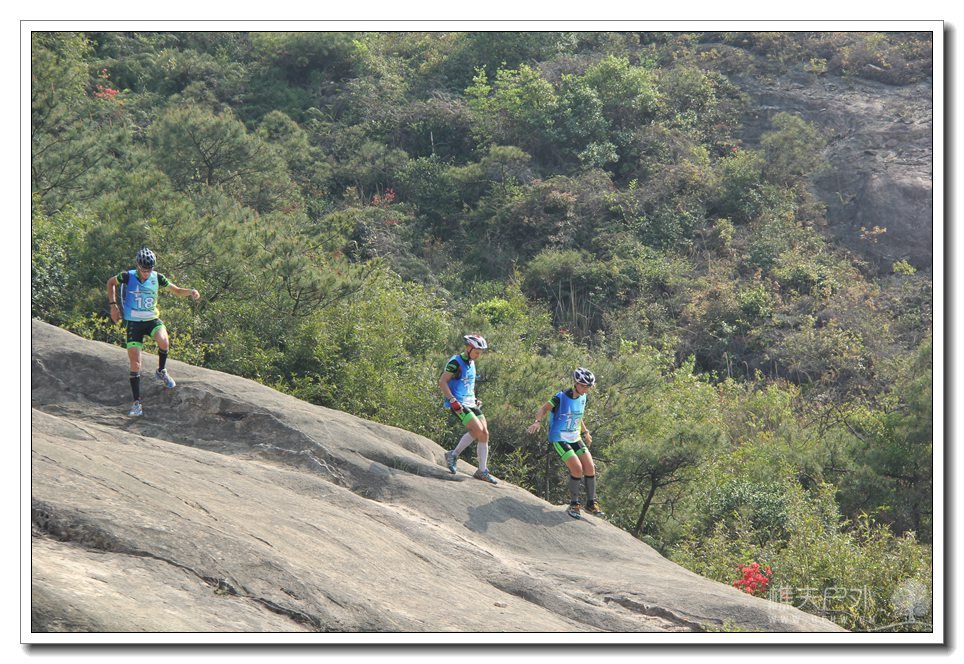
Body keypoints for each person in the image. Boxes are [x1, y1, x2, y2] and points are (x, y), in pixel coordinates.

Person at [106, 247, 200, 416]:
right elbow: (110, 283)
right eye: (143, 270)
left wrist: (191, 291)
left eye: (149, 270)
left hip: (151, 320)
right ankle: (137, 403)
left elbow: (177, 290)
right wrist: (113, 306)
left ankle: (161, 371)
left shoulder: (157, 277)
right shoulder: (127, 276)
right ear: (138, 266)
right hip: (134, 323)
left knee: (164, 341)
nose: (146, 273)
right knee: (135, 364)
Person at [527, 367, 603, 518]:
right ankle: (574, 504)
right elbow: (543, 409)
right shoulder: (560, 397)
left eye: (588, 387)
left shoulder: (583, 397)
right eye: (584, 386)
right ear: (576, 383)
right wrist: (537, 422)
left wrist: (585, 432)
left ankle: (591, 503)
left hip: (575, 436)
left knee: (590, 467)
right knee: (577, 468)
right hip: (560, 437)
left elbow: (578, 416)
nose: (586, 390)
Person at [438, 334, 498, 484]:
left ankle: (482, 470)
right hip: (458, 403)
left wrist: (475, 399)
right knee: (477, 429)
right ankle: (453, 454)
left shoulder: (471, 362)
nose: (478, 355)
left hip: (470, 402)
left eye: (480, 353)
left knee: (484, 433)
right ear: (468, 348)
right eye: (477, 352)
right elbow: (442, 382)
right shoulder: (455, 362)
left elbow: (467, 384)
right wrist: (452, 400)